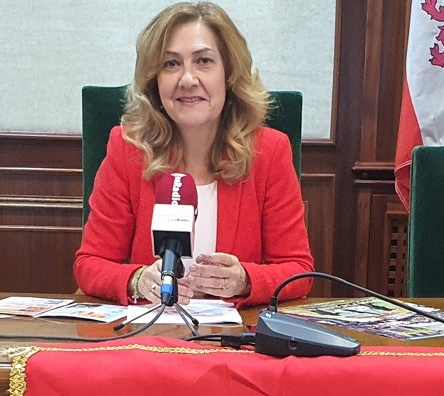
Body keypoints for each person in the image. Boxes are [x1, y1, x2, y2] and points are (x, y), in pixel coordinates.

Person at [74, 2, 314, 308]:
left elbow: (299, 270)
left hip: (234, 340)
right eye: (171, 64)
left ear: (229, 73)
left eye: (203, 61)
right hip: (150, 337)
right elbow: (90, 264)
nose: (187, 79)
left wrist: (246, 280)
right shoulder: (128, 149)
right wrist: (136, 279)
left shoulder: (268, 152)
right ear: (154, 80)